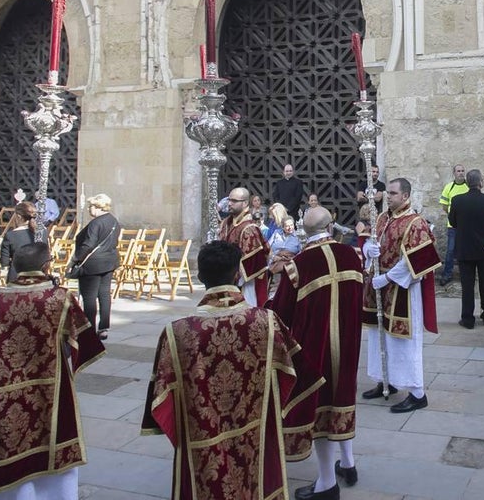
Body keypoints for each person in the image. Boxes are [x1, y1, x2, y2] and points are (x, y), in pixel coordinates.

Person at [142, 241, 318, 500]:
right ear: (238, 274)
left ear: (200, 276)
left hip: (203, 440)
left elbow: (162, 397)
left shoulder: (178, 333)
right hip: (255, 433)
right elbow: (294, 373)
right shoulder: (267, 321)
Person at [0, 241, 104, 499]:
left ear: (15, 267)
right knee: (53, 440)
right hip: (49, 392)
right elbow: (86, 342)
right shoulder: (61, 299)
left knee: (4, 440)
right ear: (47, 266)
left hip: (2, 396)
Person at [268, 207, 365, 499]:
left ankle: (326, 484)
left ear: (302, 231)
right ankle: (348, 464)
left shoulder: (298, 265)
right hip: (348, 343)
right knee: (343, 396)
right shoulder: (353, 257)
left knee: (321, 406)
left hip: (315, 348)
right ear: (332, 226)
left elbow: (280, 313)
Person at [361, 178, 441, 414]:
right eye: (388, 194)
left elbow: (414, 261)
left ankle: (417, 393)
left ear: (405, 196)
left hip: (402, 290)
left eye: (393, 194)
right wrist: (369, 250)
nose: (389, 198)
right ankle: (386, 380)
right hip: (379, 288)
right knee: (379, 337)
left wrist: (386, 278)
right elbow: (369, 241)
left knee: (403, 342)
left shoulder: (415, 223)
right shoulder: (383, 218)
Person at [447, 169, 484, 329]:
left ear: (468, 182)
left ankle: (468, 319)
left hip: (465, 249)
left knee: (467, 286)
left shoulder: (457, 201)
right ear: (481, 182)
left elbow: (453, 222)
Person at [68, 193, 120, 340]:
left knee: (89, 296)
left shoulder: (96, 223)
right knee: (104, 294)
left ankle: (89, 328)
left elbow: (89, 244)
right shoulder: (114, 221)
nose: (89, 209)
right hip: (109, 261)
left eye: (90, 206)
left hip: (93, 264)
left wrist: (75, 259)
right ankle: (104, 327)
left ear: (97, 207)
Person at [219, 186, 271, 307]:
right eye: (229, 200)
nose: (230, 204)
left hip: (246, 284)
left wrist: (231, 275)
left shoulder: (250, 229)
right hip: (226, 280)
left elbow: (254, 262)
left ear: (245, 203)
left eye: (234, 201)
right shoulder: (226, 223)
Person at [437, 164, 469, 285]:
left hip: (467, 226)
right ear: (454, 173)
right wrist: (453, 215)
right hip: (453, 226)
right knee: (450, 251)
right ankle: (447, 274)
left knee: (466, 251)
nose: (461, 173)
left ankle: (466, 274)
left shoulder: (469, 187)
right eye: (458, 171)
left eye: (462, 170)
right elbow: (445, 206)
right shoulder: (448, 187)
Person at [0, 200, 38, 284]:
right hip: (39, 275)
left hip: (17, 275)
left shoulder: (11, 235)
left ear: (19, 217)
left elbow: (4, 261)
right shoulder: (43, 232)